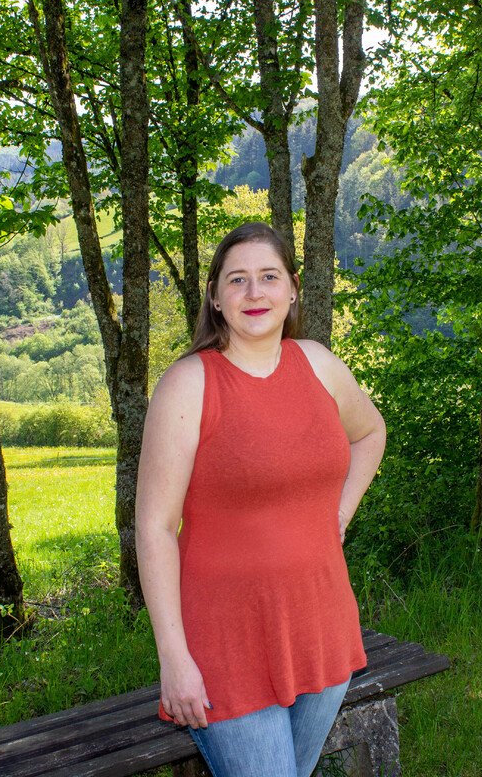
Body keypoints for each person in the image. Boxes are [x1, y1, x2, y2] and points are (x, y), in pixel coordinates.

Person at [135, 222, 387, 777]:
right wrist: (174, 658)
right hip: (226, 645)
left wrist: (339, 515)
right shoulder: (187, 385)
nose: (255, 293)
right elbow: (155, 528)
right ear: (215, 297)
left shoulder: (318, 365)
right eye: (238, 280)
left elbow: (371, 433)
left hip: (321, 626)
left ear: (292, 289)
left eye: (269, 277)